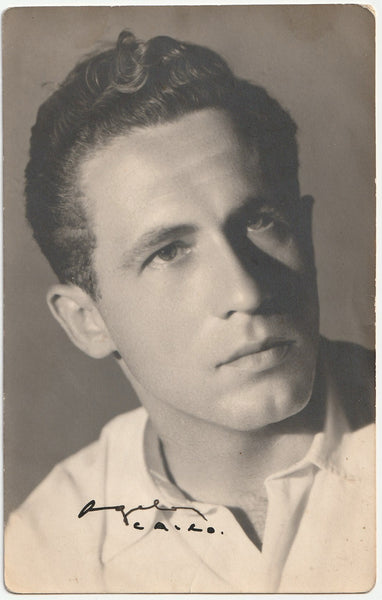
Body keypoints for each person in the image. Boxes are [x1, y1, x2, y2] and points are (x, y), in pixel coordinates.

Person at [5, 29, 375, 593]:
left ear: (305, 229)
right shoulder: (48, 547)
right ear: (87, 321)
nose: (245, 292)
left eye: (260, 221)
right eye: (169, 252)